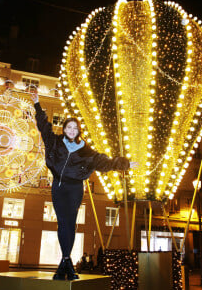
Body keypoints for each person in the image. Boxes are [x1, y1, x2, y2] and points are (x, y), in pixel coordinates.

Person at [31, 91, 138, 280]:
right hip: (58, 186)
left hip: (74, 189)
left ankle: (65, 264)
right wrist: (37, 104)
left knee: (69, 223)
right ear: (64, 129)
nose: (71, 130)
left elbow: (105, 162)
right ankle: (66, 263)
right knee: (62, 223)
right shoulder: (55, 142)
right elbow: (43, 126)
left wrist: (125, 164)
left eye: (75, 128)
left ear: (78, 131)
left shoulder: (86, 151)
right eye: (68, 127)